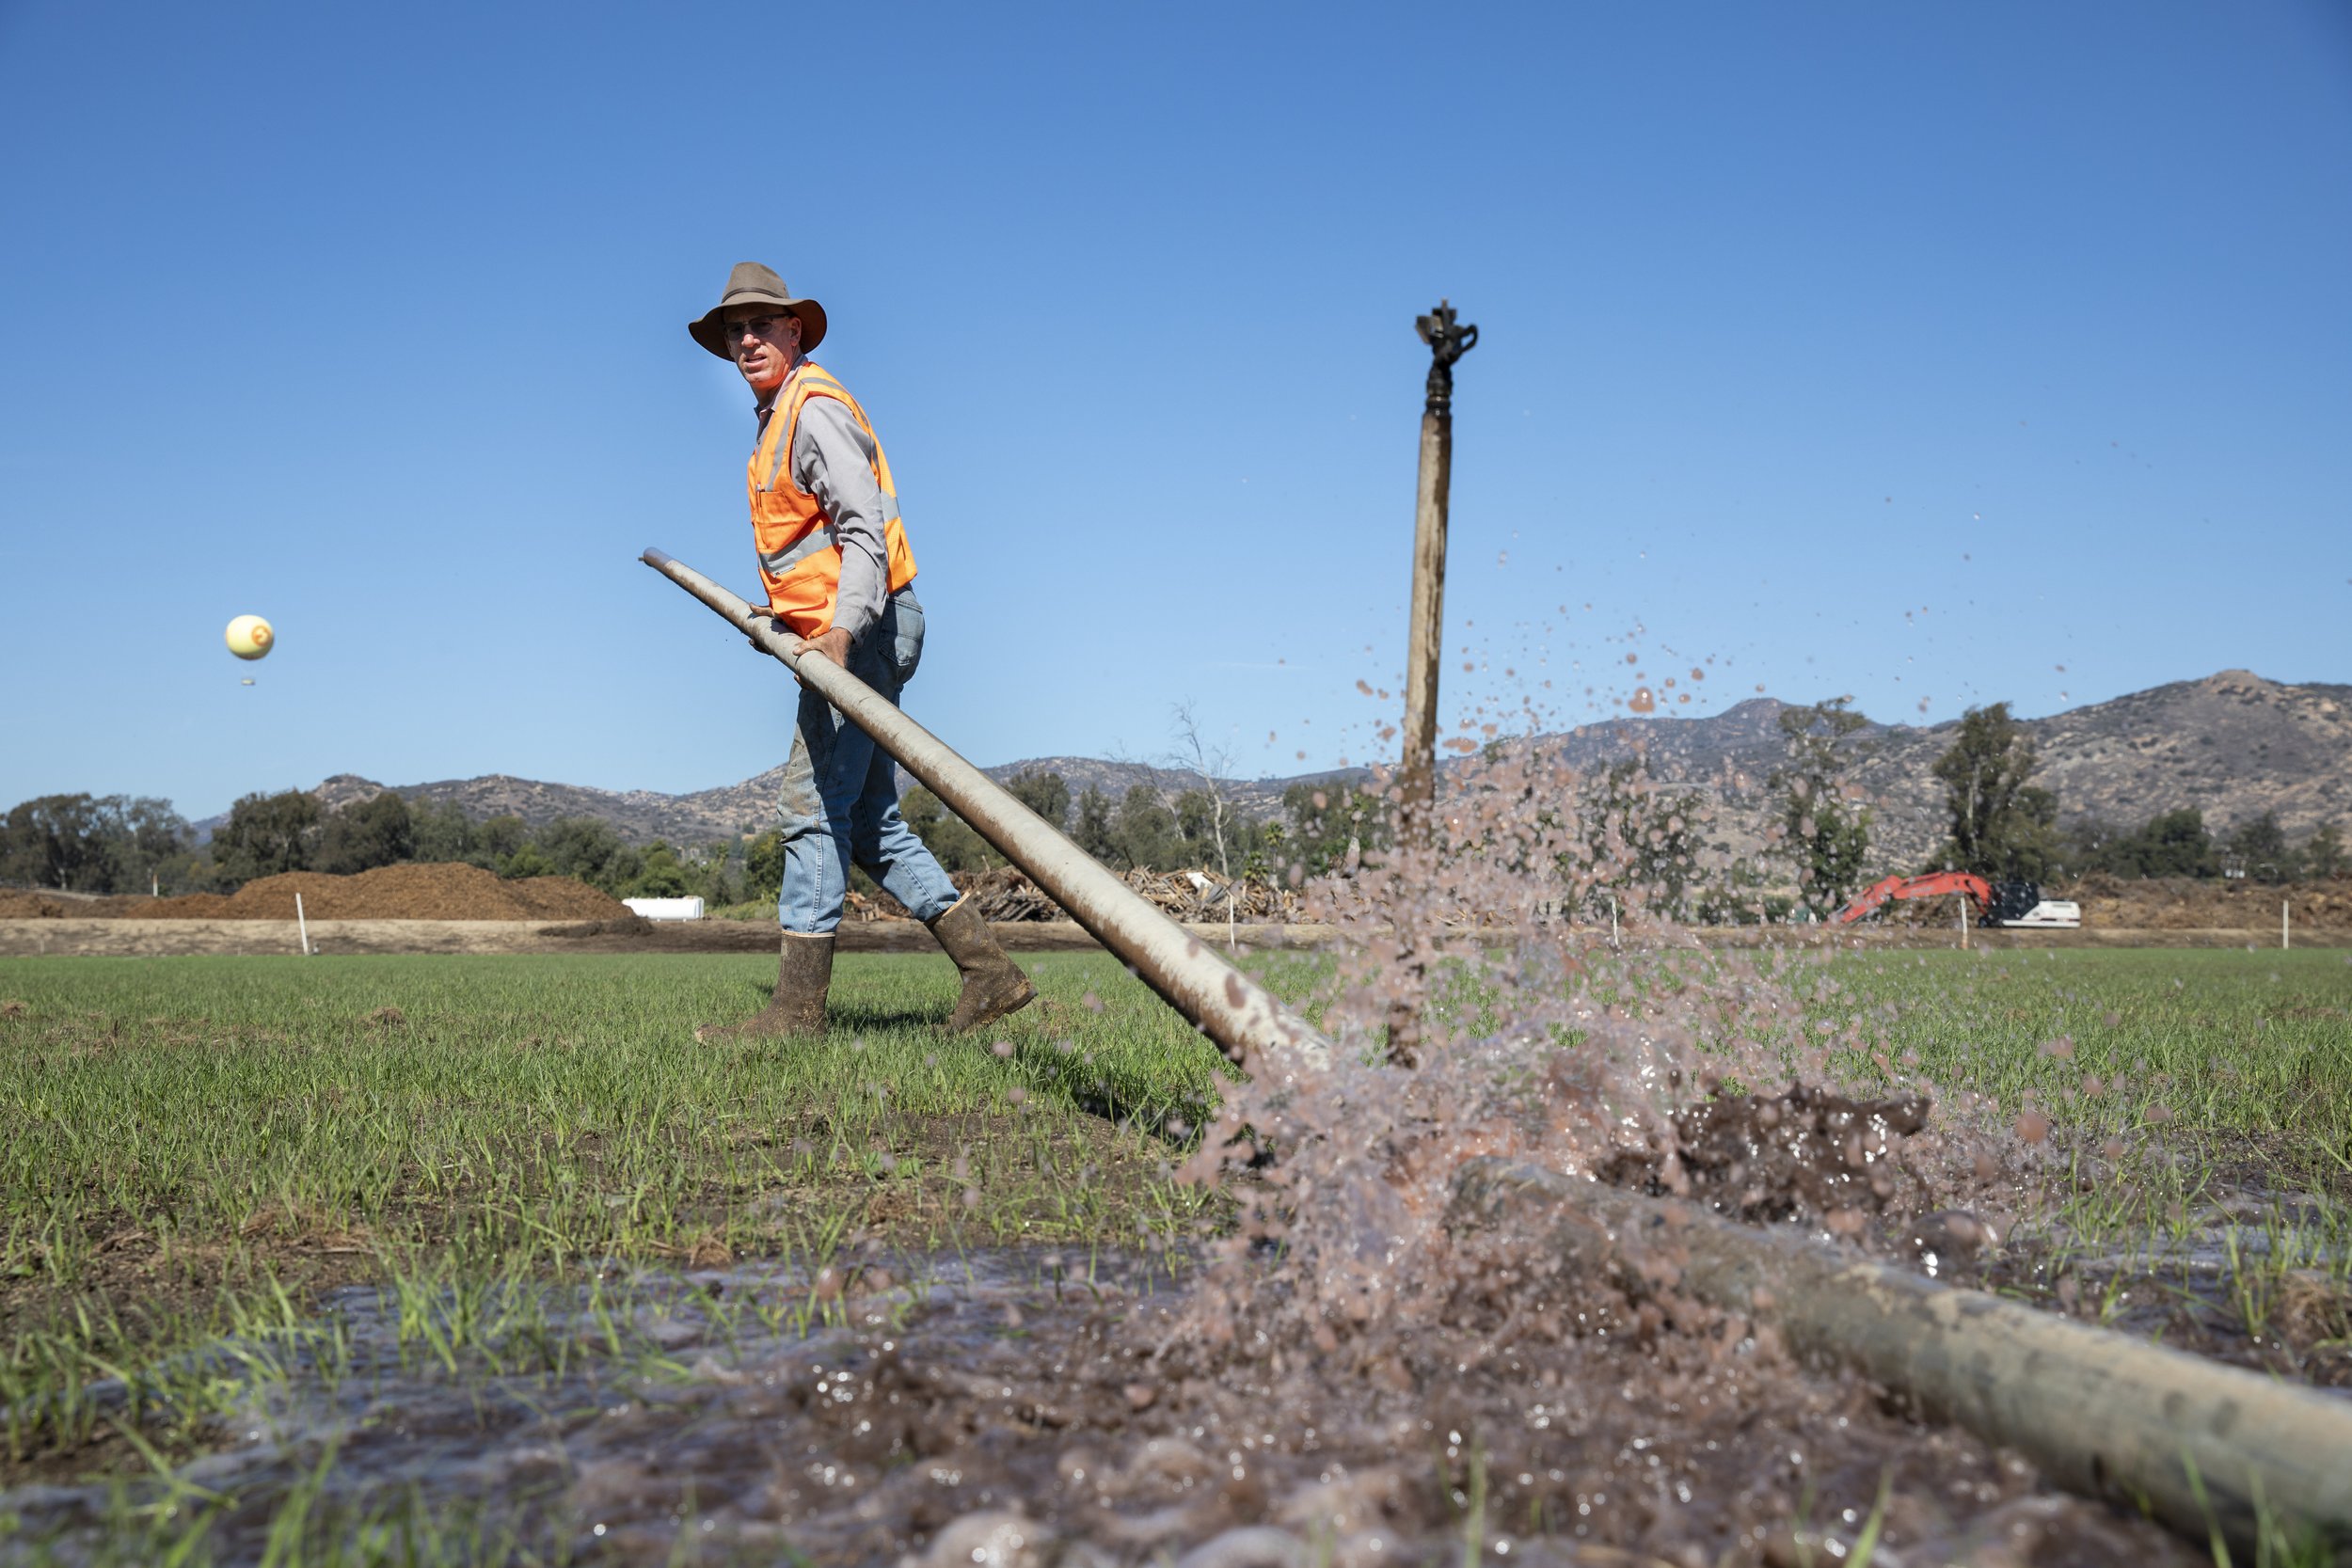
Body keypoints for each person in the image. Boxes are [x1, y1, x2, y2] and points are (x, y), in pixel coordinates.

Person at [687, 261, 1035, 1039]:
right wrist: (781, 621)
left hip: (867, 630)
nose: (746, 339)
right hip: (849, 630)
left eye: (760, 324)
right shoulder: (776, 420)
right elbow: (806, 551)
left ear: (794, 330)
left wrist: (840, 633)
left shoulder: (811, 410)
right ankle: (989, 971)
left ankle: (795, 1012)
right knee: (871, 821)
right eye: (734, 329)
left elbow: (862, 536)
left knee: (809, 809)